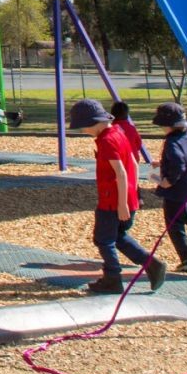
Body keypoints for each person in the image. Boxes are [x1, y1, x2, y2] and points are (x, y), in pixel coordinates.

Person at [68, 98, 163, 295]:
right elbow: (134, 165)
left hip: (112, 200)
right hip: (127, 197)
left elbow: (120, 173)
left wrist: (122, 204)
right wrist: (134, 195)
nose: (84, 131)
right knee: (117, 236)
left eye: (84, 127)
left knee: (103, 240)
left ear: (94, 122)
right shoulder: (119, 133)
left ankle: (113, 278)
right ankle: (151, 264)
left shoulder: (107, 141)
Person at [153, 101, 187, 275]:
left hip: (177, 194)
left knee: (174, 225)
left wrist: (169, 181)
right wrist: (162, 163)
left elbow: (179, 162)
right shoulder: (186, 139)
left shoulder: (172, 142)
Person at [110, 98, 151, 165]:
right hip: (133, 159)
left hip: (118, 160)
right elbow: (138, 143)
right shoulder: (131, 128)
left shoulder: (111, 129)